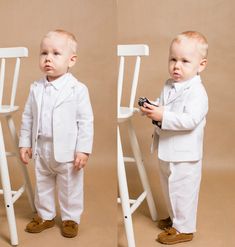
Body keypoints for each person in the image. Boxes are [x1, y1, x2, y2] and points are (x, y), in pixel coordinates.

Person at [19, 29, 94, 238]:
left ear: (71, 60)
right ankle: (45, 215)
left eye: (55, 54)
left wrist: (83, 150)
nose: (48, 59)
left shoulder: (77, 89)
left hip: (68, 150)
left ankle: (71, 218)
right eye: (44, 53)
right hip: (42, 147)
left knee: (70, 185)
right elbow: (28, 117)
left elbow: (86, 121)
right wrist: (25, 143)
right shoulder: (36, 88)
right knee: (42, 183)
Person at [140, 31, 208, 244]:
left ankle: (184, 228)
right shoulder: (169, 84)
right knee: (169, 187)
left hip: (185, 154)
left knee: (183, 190)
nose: (176, 66)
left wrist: (164, 115)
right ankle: (175, 219)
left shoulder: (197, 92)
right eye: (173, 59)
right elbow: (163, 106)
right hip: (167, 149)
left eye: (185, 61)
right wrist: (151, 107)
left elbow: (190, 120)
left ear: (201, 65)